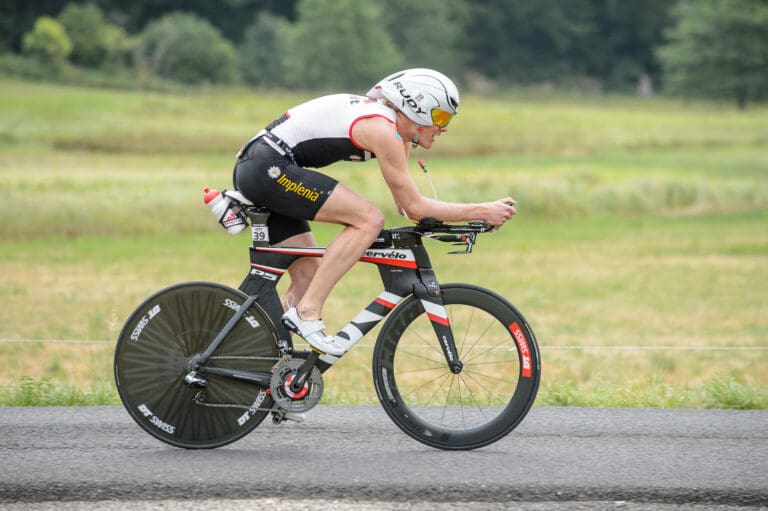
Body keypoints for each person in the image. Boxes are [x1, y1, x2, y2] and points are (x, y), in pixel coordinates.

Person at [233, 68, 516, 356]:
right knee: (368, 219)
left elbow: (408, 208)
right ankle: (307, 313)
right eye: (440, 117)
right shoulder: (383, 129)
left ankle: (251, 356)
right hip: (267, 168)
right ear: (415, 109)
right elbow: (415, 206)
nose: (444, 128)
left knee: (308, 276)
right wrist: (481, 210)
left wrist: (459, 222)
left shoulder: (396, 133)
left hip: (263, 167)